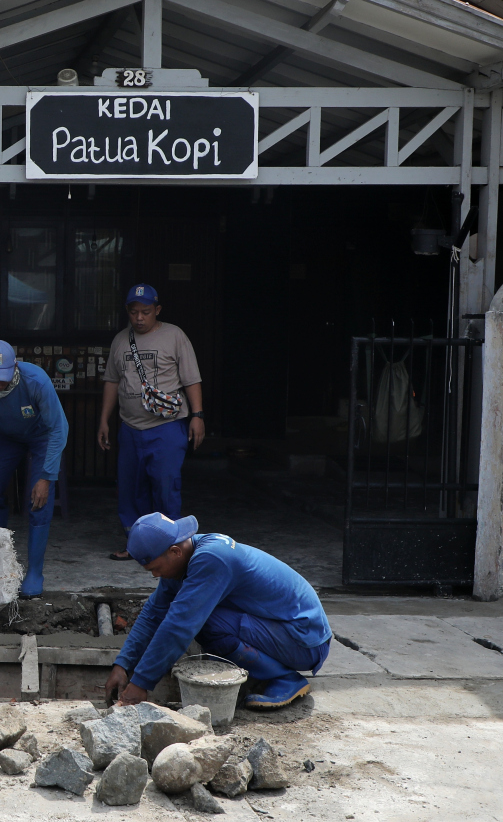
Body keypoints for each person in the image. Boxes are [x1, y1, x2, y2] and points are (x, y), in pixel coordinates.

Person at [104, 513, 331, 710]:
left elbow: (179, 625)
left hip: (305, 640)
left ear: (174, 551)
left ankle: (284, 678)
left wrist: (141, 683)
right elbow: (154, 612)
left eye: (155, 569)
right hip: (283, 628)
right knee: (198, 615)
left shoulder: (212, 559)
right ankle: (271, 671)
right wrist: (122, 665)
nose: (155, 576)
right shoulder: (185, 556)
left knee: (204, 622)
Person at [98, 284, 204, 560]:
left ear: (157, 310)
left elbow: (192, 379)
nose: (139, 318)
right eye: (134, 313)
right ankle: (136, 546)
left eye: (146, 312)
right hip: (130, 427)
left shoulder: (175, 336)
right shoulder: (121, 340)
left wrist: (198, 416)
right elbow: (111, 380)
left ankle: (171, 549)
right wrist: (104, 420)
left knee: (165, 486)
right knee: (131, 489)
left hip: (167, 427)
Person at [0, 338, 69, 598]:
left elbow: (59, 429)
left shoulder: (37, 381)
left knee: (39, 502)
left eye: (3, 377)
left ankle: (34, 571)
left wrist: (46, 477)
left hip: (43, 436)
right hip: (8, 437)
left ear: (15, 367)